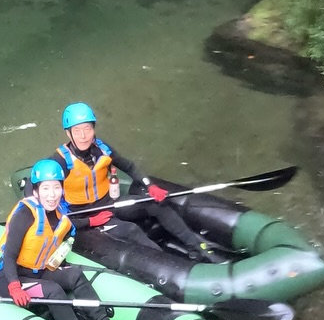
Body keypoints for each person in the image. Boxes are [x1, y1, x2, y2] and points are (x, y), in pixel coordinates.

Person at [0, 158, 136, 320]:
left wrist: (92, 221)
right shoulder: (26, 214)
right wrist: (14, 286)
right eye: (45, 189)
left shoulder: (59, 212)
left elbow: (69, 226)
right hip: (10, 277)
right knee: (54, 290)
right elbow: (9, 254)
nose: (52, 195)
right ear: (35, 191)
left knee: (74, 275)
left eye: (56, 188)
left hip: (39, 270)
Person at [53, 102, 227, 262]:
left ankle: (197, 247)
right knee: (131, 231)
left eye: (87, 129)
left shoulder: (101, 148)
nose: (83, 136)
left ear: (93, 128)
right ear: (68, 133)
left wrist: (150, 186)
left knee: (154, 204)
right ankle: (170, 264)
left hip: (110, 204)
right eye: (77, 131)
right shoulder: (60, 162)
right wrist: (90, 221)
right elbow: (43, 202)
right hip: (87, 215)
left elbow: (129, 166)